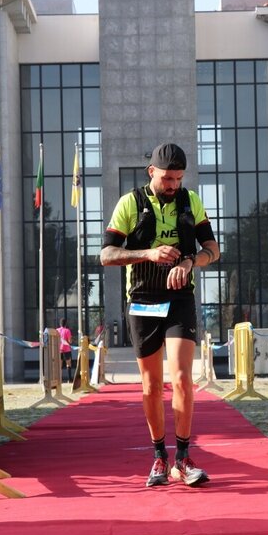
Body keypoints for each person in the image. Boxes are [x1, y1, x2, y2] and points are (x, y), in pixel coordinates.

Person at [100, 142, 220, 487]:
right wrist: (148, 254)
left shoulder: (190, 201)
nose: (173, 185)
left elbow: (213, 249)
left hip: (180, 297)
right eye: (168, 178)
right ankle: (159, 458)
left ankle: (183, 457)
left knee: (182, 378)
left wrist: (189, 261)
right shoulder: (130, 203)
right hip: (143, 299)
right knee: (152, 385)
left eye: (178, 178)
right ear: (151, 171)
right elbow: (107, 255)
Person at [56, 318, 73, 383]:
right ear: (66, 324)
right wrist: (71, 340)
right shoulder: (67, 330)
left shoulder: (57, 330)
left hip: (59, 350)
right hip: (67, 350)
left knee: (59, 366)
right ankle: (69, 379)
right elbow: (70, 341)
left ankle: (59, 380)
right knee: (68, 364)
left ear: (60, 324)